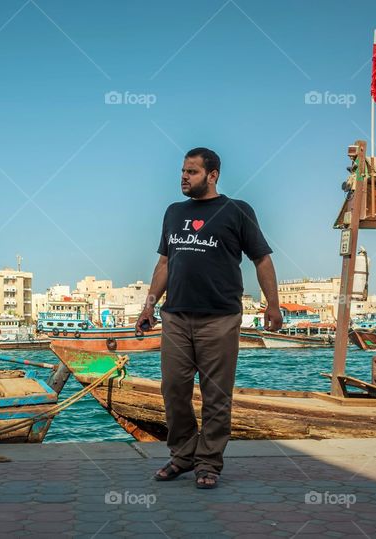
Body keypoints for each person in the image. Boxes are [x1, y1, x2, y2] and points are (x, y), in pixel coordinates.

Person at [136, 147, 282, 490]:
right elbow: (164, 263)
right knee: (173, 388)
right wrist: (149, 305)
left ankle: (208, 462)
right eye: (183, 171)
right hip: (175, 316)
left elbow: (262, 259)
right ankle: (183, 455)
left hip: (220, 317)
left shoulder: (237, 211)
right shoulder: (174, 212)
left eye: (192, 172)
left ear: (212, 175)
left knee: (215, 394)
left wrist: (272, 305)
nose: (184, 177)